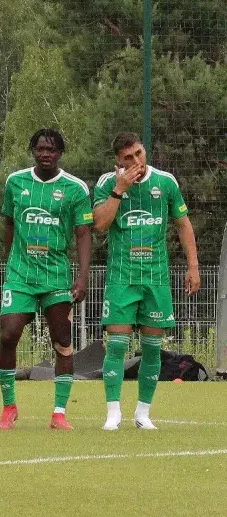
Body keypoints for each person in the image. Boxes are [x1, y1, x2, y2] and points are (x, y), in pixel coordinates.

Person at [92, 132, 200, 430]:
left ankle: (142, 413)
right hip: (122, 277)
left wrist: (193, 267)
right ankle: (113, 413)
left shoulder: (165, 182)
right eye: (128, 158)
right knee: (117, 346)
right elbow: (100, 224)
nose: (136, 161)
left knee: (152, 348)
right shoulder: (106, 183)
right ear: (118, 161)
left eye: (139, 153)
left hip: (156, 278)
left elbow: (183, 224)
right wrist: (119, 189)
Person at [0, 130, 92, 430]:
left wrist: (82, 277)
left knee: (62, 340)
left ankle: (59, 412)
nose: (45, 154)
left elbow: (83, 233)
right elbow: (9, 223)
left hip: (56, 277)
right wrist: (9, 262)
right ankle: (9, 407)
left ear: (60, 153)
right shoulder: (15, 182)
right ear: (32, 150)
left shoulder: (75, 188)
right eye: (40, 149)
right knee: (9, 334)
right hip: (20, 275)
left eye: (51, 149)